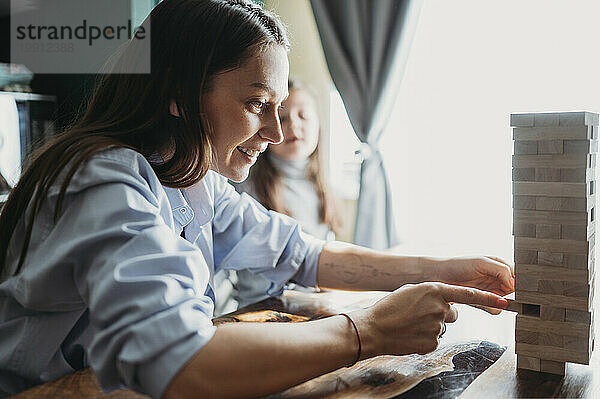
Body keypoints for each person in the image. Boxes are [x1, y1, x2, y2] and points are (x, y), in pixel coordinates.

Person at [0, 1, 514, 398]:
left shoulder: (194, 181)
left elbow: (307, 255)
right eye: (256, 104)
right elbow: (176, 361)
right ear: (178, 95)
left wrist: (450, 269)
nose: (273, 130)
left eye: (280, 107)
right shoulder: (106, 181)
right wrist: (369, 330)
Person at [231, 79, 342, 307]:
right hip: (267, 308)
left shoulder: (323, 187)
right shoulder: (248, 190)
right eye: (282, 118)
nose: (293, 126)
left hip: (315, 302)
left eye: (303, 116)